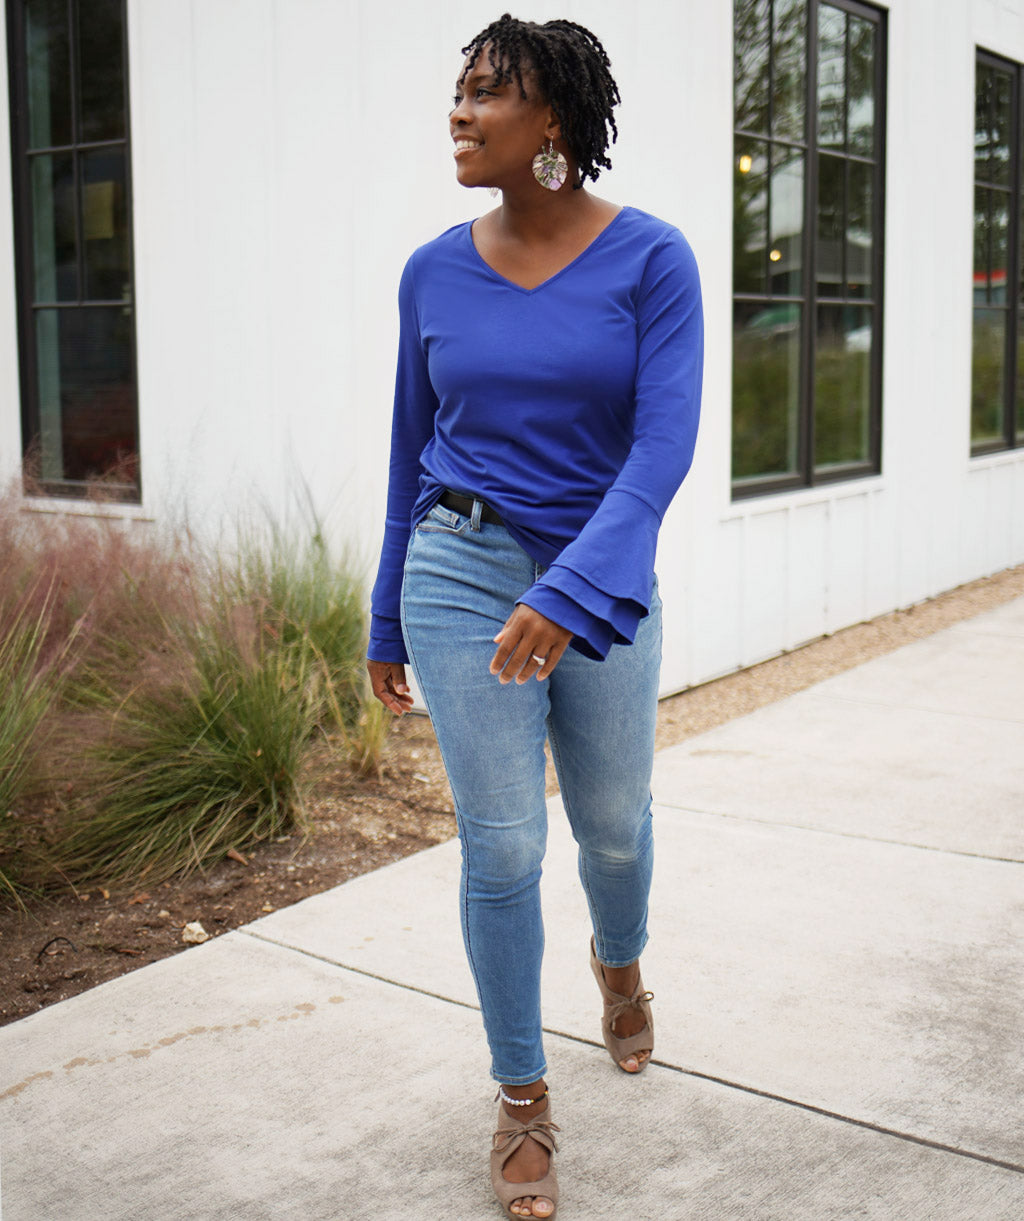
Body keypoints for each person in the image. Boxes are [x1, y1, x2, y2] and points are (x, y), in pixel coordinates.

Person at [366, 13, 703, 1218]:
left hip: (599, 584)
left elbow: (660, 451)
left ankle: (620, 964)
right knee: (502, 846)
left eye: (485, 93)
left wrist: (564, 595)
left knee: (610, 827)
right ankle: (520, 1100)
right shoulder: (430, 269)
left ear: (551, 119)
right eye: (456, 92)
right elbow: (411, 448)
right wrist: (385, 613)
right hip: (457, 570)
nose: (458, 112)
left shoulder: (651, 259)